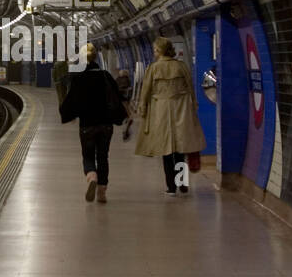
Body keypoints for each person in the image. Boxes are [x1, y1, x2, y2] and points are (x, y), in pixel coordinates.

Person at [134, 36, 206, 196]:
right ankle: (183, 183)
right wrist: (193, 105)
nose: (153, 52)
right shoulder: (181, 66)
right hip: (181, 109)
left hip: (160, 111)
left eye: (155, 50)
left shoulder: (153, 68)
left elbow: (145, 91)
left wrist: (143, 109)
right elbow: (190, 88)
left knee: (166, 150)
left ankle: (171, 187)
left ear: (159, 51)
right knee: (181, 148)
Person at [59, 43, 126, 203]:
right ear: (96, 57)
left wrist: (70, 115)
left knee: (88, 155)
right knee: (103, 157)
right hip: (106, 125)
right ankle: (102, 193)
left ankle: (91, 176)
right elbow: (118, 97)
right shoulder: (105, 76)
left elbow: (70, 101)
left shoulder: (78, 77)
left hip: (87, 125)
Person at [115, 67, 134, 141]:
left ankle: (126, 121)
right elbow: (129, 89)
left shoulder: (117, 79)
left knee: (125, 115)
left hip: (119, 100)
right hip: (125, 99)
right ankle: (127, 121)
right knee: (128, 115)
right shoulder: (127, 80)